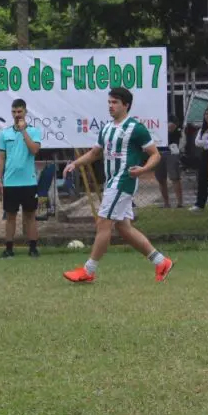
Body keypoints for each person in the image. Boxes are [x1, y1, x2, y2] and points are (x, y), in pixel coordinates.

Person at [63, 88, 175, 283]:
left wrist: (142, 169)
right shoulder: (107, 128)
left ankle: (89, 271)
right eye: (109, 102)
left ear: (126, 105)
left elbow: (155, 154)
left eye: (114, 102)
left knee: (103, 222)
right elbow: (95, 153)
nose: (110, 106)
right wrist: (75, 163)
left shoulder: (136, 128)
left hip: (123, 181)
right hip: (112, 181)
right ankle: (161, 261)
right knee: (123, 228)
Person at [0, 98, 42, 258]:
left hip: (29, 181)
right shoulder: (5, 133)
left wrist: (23, 132)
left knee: (30, 215)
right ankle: (9, 248)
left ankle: (33, 248)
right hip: (10, 182)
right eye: (14, 112)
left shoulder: (34, 131)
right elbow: (1, 158)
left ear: (25, 112)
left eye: (19, 111)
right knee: (10, 216)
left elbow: (34, 150)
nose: (17, 115)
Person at [191, 107, 208, 212]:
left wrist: (206, 142)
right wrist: (207, 142)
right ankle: (200, 204)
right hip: (204, 155)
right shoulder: (202, 129)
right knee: (202, 179)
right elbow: (197, 142)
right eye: (206, 114)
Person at [155, 115, 184, 208]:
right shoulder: (154, 116)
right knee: (161, 179)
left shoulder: (171, 116)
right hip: (158, 151)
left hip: (171, 151)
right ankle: (166, 203)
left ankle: (180, 203)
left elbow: (172, 127)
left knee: (175, 177)